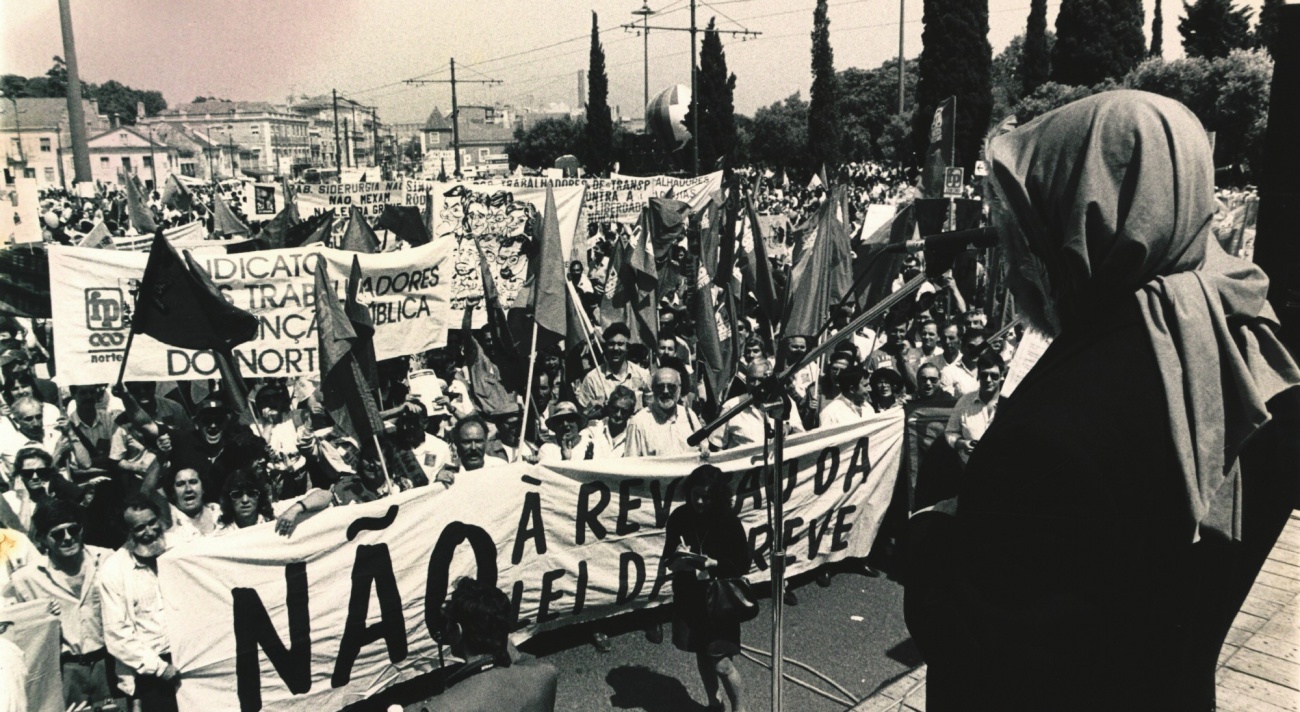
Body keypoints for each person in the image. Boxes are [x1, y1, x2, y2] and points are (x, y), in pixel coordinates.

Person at [906, 91, 1300, 710]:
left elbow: (987, 651)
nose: (1013, 260)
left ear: (1080, 217)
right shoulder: (1255, 353)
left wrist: (939, 530)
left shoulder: (1055, 431)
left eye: (1027, 224)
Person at [9, 500, 114, 709]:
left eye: (73, 530)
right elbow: (13, 629)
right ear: (41, 539)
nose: (68, 538)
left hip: (108, 666)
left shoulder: (107, 559)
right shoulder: (26, 579)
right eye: (57, 534)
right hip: (65, 672)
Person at [662, 465, 750, 712]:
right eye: (695, 495)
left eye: (707, 497)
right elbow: (667, 558)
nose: (699, 501)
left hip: (719, 601)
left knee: (721, 663)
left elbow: (743, 563)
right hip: (690, 596)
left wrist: (716, 564)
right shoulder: (679, 517)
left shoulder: (729, 522)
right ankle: (714, 704)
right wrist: (677, 561)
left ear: (718, 496)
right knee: (702, 654)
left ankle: (740, 710)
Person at [420, 577, 558, 711]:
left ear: (457, 631)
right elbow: (518, 657)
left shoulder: (441, 708)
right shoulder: (546, 674)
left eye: (448, 623)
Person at [98, 495, 179, 711]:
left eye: (152, 522)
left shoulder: (180, 549)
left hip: (189, 657)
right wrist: (160, 668)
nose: (150, 531)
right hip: (150, 673)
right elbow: (117, 635)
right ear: (128, 532)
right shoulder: (113, 571)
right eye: (140, 527)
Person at [709, 359, 804, 450]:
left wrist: (788, 428)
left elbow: (801, 437)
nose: (756, 384)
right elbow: (716, 445)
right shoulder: (731, 406)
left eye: (761, 380)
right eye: (752, 380)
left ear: (770, 381)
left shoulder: (784, 402)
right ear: (746, 381)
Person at [624, 368, 703, 458]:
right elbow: (630, 465)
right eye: (660, 387)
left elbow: (704, 448)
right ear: (653, 389)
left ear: (679, 389)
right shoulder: (639, 422)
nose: (665, 391)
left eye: (671, 387)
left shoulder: (689, 415)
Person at [575, 323, 651, 416]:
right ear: (605, 347)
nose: (615, 348)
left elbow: (651, 409)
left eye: (620, 344)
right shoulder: (592, 378)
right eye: (611, 344)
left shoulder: (642, 375)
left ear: (627, 347)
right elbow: (583, 415)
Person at [942, 352, 1004, 463]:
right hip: (969, 469)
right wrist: (961, 444)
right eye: (984, 375)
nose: (988, 380)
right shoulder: (964, 401)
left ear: (1002, 375)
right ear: (978, 375)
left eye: (994, 376)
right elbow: (950, 432)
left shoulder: (1009, 403)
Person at [574, 386, 636, 459]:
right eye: (615, 409)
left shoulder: (634, 432)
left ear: (630, 413)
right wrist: (586, 414)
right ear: (609, 407)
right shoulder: (594, 429)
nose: (618, 414)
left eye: (624, 411)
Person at [937, 328, 984, 398]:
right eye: (971, 347)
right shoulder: (948, 372)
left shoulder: (991, 370)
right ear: (962, 347)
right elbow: (948, 403)